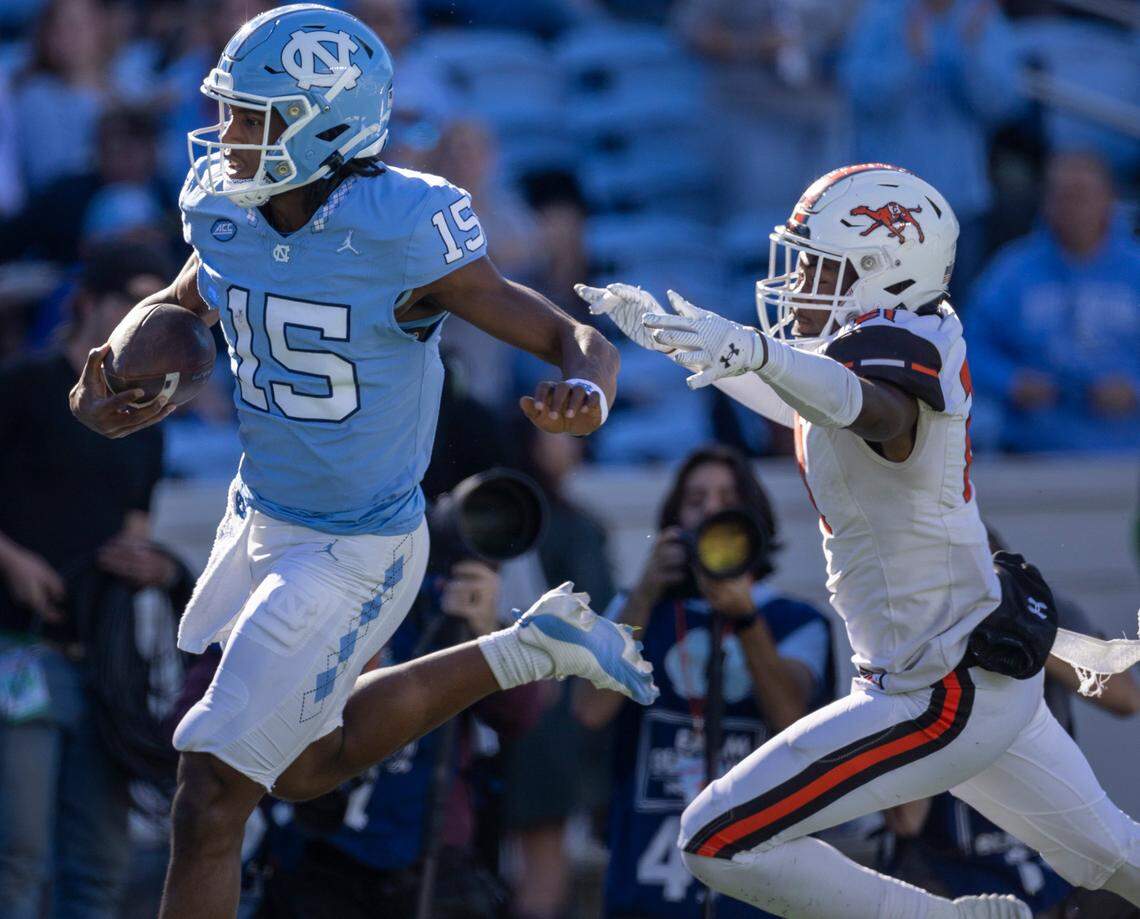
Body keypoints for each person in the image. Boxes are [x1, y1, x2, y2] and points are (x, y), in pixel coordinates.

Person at [67, 7, 657, 919]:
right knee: (303, 765)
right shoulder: (224, 202)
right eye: (228, 111)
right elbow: (190, 297)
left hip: (355, 546)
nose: (226, 136)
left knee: (210, 794)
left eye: (253, 117)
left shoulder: (403, 225)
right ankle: (528, 645)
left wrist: (586, 387)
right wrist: (119, 367)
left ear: (328, 127)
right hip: (258, 515)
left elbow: (571, 334)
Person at [581, 162, 1140, 919]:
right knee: (1113, 852)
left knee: (713, 839)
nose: (800, 278)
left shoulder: (911, 343)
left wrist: (759, 353)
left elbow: (877, 412)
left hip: (935, 689)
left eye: (819, 262)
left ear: (885, 268)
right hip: (974, 670)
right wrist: (680, 342)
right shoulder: (865, 353)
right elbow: (811, 400)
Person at [574, 445, 834, 918]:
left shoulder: (796, 621)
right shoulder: (637, 609)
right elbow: (590, 710)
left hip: (759, 881)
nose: (712, 510)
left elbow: (793, 719)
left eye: (727, 497)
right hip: (646, 877)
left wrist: (745, 618)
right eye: (696, 500)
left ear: (755, 518)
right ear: (674, 522)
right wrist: (646, 591)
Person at [0, 241, 179, 919]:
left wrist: (155, 565)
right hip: (21, 644)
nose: (142, 319)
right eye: (129, 301)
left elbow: (136, 528)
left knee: (98, 863)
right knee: (17, 855)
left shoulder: (146, 418)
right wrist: (13, 561)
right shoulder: (23, 387)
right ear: (88, 303)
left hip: (101, 662)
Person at [255, 557, 542, 918]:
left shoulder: (448, 585)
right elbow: (213, 712)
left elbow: (519, 716)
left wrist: (488, 636)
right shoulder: (304, 575)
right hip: (315, 850)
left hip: (431, 849)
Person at [837, 0, 1024, 301]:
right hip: (886, 209)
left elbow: (1003, 105)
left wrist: (970, 55)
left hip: (959, 205)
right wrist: (908, 58)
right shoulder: (882, 14)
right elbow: (859, 93)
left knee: (955, 320)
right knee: (876, 318)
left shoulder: (981, 18)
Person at [966, 150, 1139, 453]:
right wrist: (1012, 382)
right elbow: (967, 344)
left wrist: (1134, 390)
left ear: (1108, 200)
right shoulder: (1013, 270)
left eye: (1082, 195)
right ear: (1045, 202)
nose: (1071, 208)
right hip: (1034, 456)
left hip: (1128, 457)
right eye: (1062, 196)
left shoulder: (1135, 268)